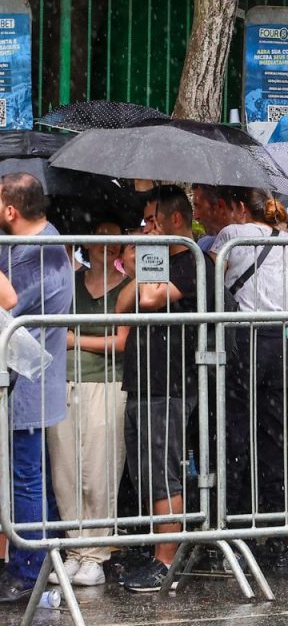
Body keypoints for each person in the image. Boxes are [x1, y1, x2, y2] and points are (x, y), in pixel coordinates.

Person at [116, 186, 210, 592]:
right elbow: (123, 305)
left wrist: (148, 264)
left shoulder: (190, 260)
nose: (148, 228)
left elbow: (150, 300)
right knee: (146, 471)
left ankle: (166, 559)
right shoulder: (158, 263)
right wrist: (142, 272)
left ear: (174, 220)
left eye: (153, 219)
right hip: (143, 381)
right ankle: (159, 548)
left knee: (163, 473)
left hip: (170, 381)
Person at [209, 189, 288, 565]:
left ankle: (228, 531)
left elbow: (210, 280)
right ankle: (278, 534)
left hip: (241, 340)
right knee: (274, 439)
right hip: (277, 341)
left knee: (234, 436)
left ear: (240, 208)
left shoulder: (233, 235)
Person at [0, 173, 72, 602]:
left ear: (11, 210)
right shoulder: (47, 240)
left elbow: (8, 301)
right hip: (31, 380)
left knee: (25, 478)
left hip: (27, 383)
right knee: (32, 477)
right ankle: (44, 563)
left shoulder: (37, 252)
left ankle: (31, 573)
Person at [49, 221, 129, 587]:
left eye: (115, 238)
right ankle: (74, 549)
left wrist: (74, 339)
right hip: (65, 381)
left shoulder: (128, 287)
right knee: (66, 470)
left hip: (109, 382)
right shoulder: (71, 284)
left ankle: (96, 553)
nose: (107, 245)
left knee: (101, 468)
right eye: (101, 238)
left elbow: (122, 342)